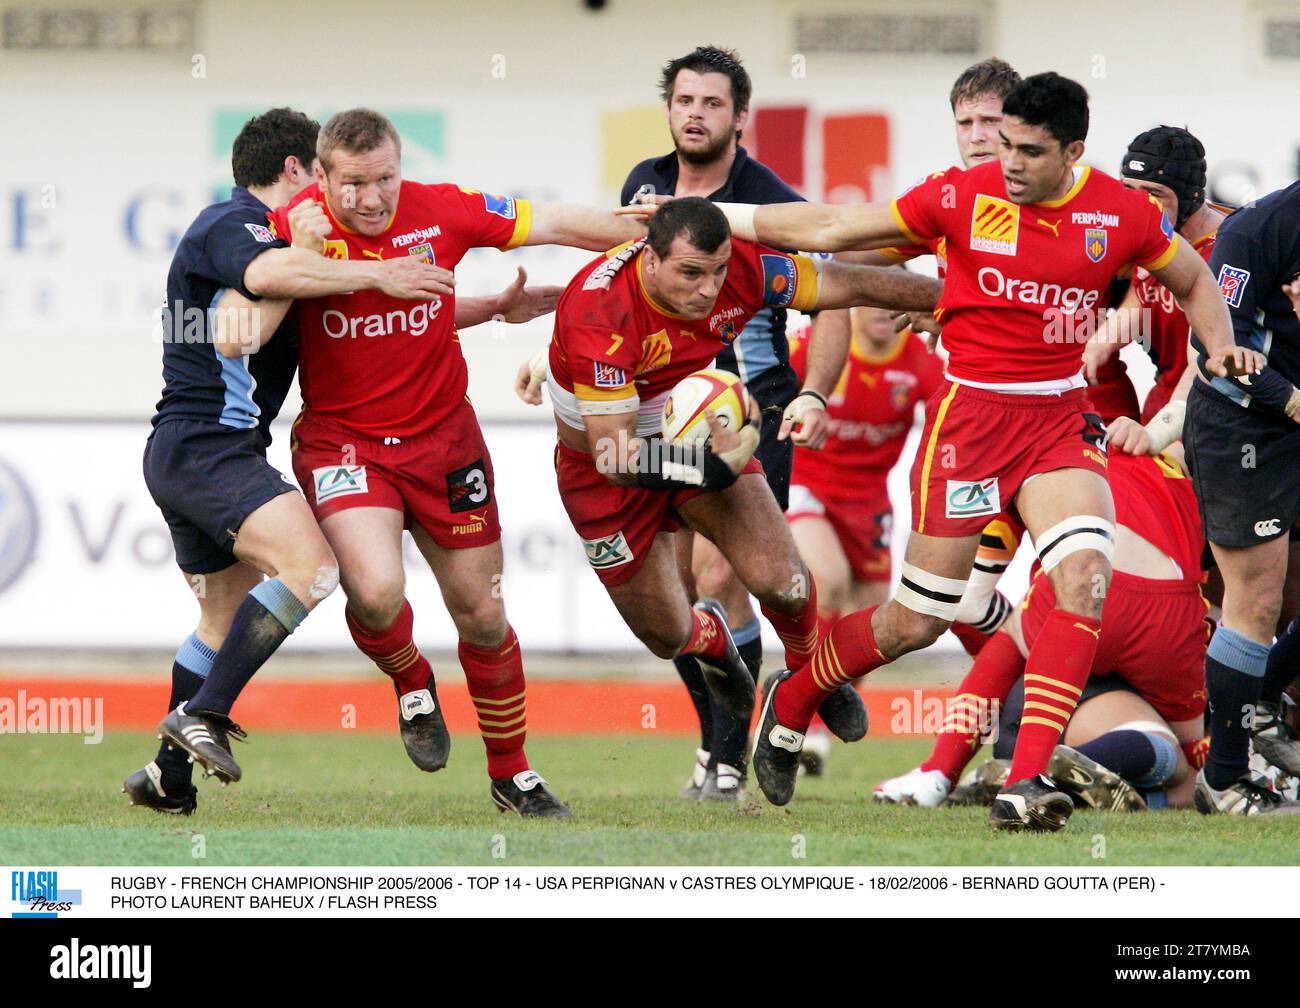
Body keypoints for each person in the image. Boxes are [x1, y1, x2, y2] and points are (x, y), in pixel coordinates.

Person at [672, 72, 1251, 829]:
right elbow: (831, 229)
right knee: (921, 617)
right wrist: (718, 214)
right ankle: (797, 690)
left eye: (1030, 151)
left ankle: (1025, 783)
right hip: (971, 426)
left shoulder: (1120, 210)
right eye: (1003, 143)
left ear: (1074, 151)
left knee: (1083, 576)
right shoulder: (958, 195)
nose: (1008, 161)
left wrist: (1223, 347)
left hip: (1057, 423)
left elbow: (1194, 275)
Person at [124, 110, 565, 815]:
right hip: (208, 449)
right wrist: (358, 263)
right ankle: (205, 714)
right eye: (335, 183)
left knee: (219, 622)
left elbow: (367, 309)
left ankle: (167, 780)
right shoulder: (241, 226)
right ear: (303, 173)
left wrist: (486, 309)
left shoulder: (307, 251)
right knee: (314, 569)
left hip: (203, 452)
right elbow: (244, 326)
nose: (348, 202)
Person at [261, 108, 647, 818]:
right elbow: (263, 278)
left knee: (484, 615)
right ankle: (412, 682)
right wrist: (359, 268)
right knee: (375, 592)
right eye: (352, 184)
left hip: (445, 442)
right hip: (345, 444)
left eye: (385, 179)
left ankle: (513, 773)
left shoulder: (443, 209)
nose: (372, 199)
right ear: (319, 176)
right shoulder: (298, 226)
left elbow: (556, 222)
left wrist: (653, 230)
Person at [522, 45, 850, 800]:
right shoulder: (647, 185)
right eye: (684, 101)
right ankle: (718, 742)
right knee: (678, 599)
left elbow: (834, 291)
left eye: (712, 103)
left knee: (729, 578)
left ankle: (741, 752)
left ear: (741, 117)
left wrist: (815, 393)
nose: (695, 114)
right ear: (668, 109)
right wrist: (562, 369)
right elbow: (618, 295)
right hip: (655, 409)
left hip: (742, 404)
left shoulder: (767, 198)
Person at [548, 197, 943, 797]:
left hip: (699, 440)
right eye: (690, 275)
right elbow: (616, 458)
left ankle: (808, 681)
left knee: (786, 581)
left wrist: (946, 296)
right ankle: (712, 641)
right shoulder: (600, 309)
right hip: (607, 470)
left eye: (717, 272)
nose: (710, 290)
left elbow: (836, 283)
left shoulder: (742, 269)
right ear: (648, 260)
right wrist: (707, 465)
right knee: (663, 634)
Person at [876, 447, 1211, 811]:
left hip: (1048, 678)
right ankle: (1133, 787)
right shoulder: (1191, 466)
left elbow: (970, 600)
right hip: (1167, 612)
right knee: (1186, 758)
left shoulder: (1044, 451)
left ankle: (941, 772)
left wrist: (1013, 629)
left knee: (1010, 640)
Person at [1182, 174, 1300, 814]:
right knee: (1255, 600)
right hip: (1245, 425)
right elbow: (1219, 344)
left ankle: (1259, 698)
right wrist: (1291, 399)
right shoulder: (1257, 227)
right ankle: (1223, 780)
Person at [784, 308, 942, 773]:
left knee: (876, 625)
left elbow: (949, 422)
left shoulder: (919, 359)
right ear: (853, 304)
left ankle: (813, 722)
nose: (881, 314)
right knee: (826, 581)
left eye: (890, 303)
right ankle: (792, 719)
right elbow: (763, 388)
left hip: (869, 503)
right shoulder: (820, 342)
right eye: (870, 300)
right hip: (805, 483)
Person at [1084, 126, 1225, 423]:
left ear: (1191, 197)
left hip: (1214, 407)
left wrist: (1165, 429)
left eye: (1153, 194)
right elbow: (1141, 292)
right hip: (1162, 396)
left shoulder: (1229, 248)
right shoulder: (1150, 232)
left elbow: (1207, 357)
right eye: (1129, 191)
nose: (1139, 205)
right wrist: (1100, 343)